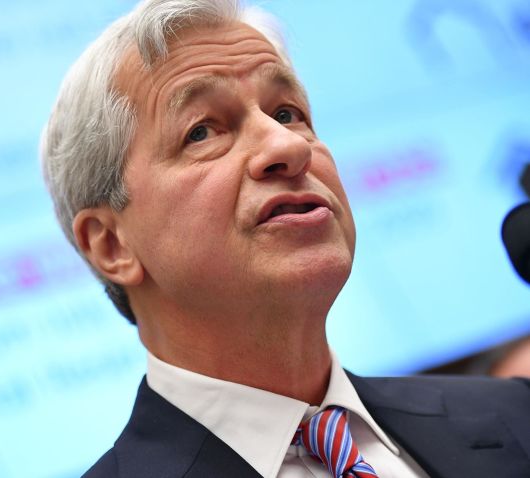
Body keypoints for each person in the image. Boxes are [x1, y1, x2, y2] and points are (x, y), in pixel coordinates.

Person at [40, 1, 530, 476]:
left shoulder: (517, 417)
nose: (287, 146)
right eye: (202, 132)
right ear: (111, 245)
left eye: (288, 113)